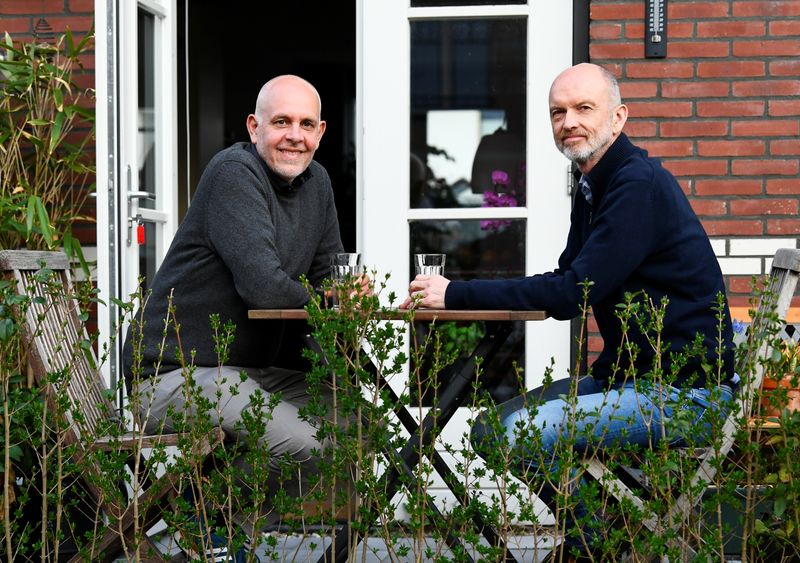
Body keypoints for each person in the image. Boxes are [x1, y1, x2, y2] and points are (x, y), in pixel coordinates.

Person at [402, 63, 736, 560]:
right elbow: (568, 278)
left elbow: (569, 294)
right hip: (630, 379)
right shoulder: (591, 184)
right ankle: (600, 539)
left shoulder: (635, 184)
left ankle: (590, 547)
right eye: (558, 112)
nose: (568, 121)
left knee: (518, 433)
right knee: (491, 430)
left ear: (618, 118)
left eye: (584, 108)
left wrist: (456, 295)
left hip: (686, 393)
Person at [122, 75, 353, 546]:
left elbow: (330, 270)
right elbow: (265, 289)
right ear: (254, 127)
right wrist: (327, 299)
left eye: (307, 124)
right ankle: (211, 526)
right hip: (175, 374)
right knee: (301, 441)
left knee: (358, 426)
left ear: (322, 132)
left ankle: (220, 523)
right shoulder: (234, 173)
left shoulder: (318, 182)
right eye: (281, 122)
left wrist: (343, 295)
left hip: (253, 369)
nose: (295, 135)